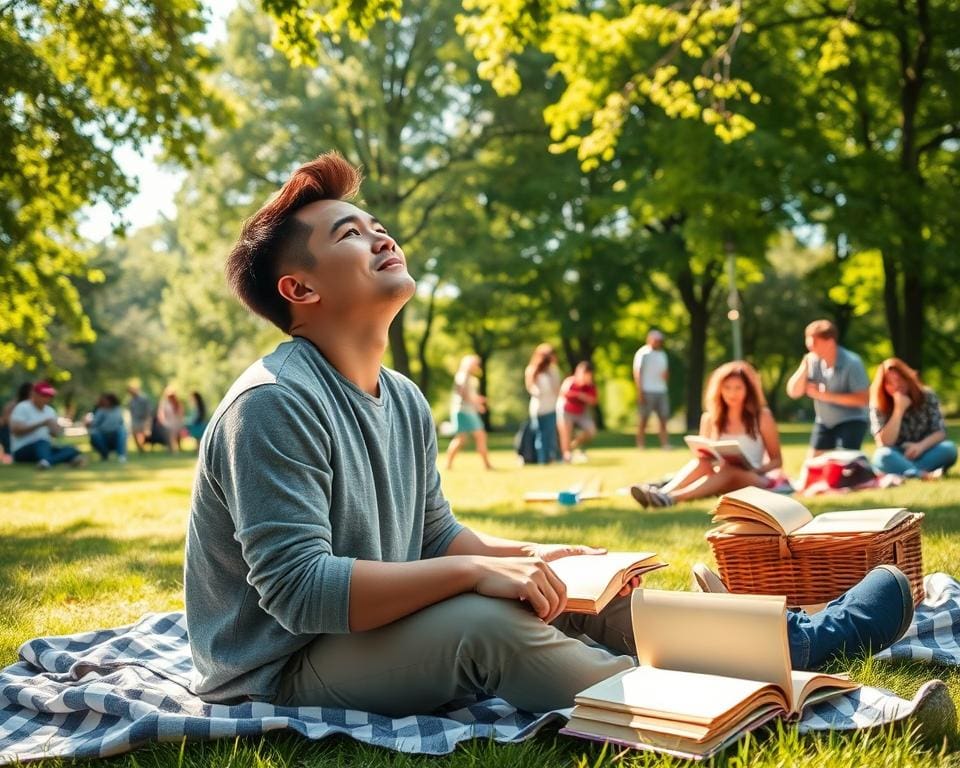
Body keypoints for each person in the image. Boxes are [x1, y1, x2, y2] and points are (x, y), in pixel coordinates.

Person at [182, 151, 915, 718]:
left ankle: (800, 643)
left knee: (579, 588)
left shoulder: (402, 398)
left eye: (376, 225)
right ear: (300, 289)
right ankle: (711, 708)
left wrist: (544, 557)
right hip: (281, 669)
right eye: (350, 233)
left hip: (362, 631)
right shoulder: (273, 404)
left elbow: (435, 533)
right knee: (484, 622)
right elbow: (301, 593)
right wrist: (478, 574)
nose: (380, 235)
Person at [630, 361, 783, 508]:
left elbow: (777, 460)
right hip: (719, 474)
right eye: (727, 388)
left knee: (730, 470)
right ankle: (662, 494)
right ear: (719, 390)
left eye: (738, 388)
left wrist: (755, 470)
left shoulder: (762, 416)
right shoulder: (710, 418)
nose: (732, 393)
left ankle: (671, 498)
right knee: (703, 462)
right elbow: (704, 459)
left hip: (753, 477)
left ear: (747, 390)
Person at [786, 319, 869, 455]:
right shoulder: (813, 361)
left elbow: (863, 399)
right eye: (808, 342)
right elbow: (793, 392)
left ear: (830, 342)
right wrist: (804, 366)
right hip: (825, 422)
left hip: (851, 421)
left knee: (843, 465)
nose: (809, 347)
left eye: (814, 343)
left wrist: (824, 396)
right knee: (811, 468)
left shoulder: (852, 362)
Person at [869, 358, 957, 477]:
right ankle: (923, 475)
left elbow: (940, 432)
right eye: (889, 382)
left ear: (907, 378)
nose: (896, 385)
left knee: (949, 449)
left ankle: (907, 470)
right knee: (882, 456)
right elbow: (885, 442)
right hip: (896, 454)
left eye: (899, 379)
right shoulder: (878, 403)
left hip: (926, 451)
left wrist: (920, 446)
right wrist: (899, 410)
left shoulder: (927, 396)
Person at [9, 381, 84, 469]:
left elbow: (56, 434)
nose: (47, 399)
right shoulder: (22, 407)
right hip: (22, 449)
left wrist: (56, 428)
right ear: (35, 394)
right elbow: (16, 430)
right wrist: (41, 423)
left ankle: (46, 462)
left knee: (72, 450)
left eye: (49, 396)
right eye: (44, 395)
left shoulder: (50, 411)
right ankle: (54, 460)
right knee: (42, 442)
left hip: (45, 448)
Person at [444, 354, 493, 470]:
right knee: (479, 436)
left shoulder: (469, 377)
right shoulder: (463, 376)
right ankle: (487, 464)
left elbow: (469, 395)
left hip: (467, 410)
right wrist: (476, 404)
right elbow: (463, 394)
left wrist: (479, 401)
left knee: (462, 439)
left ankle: (448, 464)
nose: (477, 366)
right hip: (464, 411)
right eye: (475, 364)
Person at [633, 329, 670, 449]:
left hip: (661, 390)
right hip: (647, 390)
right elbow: (637, 373)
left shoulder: (662, 354)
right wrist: (640, 392)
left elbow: (665, 372)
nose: (657, 342)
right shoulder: (643, 353)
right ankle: (640, 444)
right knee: (644, 419)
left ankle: (665, 444)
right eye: (655, 340)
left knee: (663, 418)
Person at [524, 344, 561, 464]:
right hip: (538, 408)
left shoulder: (553, 370)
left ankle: (552, 458)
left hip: (551, 407)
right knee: (541, 435)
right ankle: (542, 459)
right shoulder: (532, 369)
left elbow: (557, 388)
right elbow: (530, 386)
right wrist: (536, 391)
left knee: (551, 435)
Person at [558, 361, 598, 463]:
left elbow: (594, 400)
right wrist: (579, 394)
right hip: (566, 410)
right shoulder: (570, 381)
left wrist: (584, 397)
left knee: (591, 430)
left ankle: (574, 444)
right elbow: (563, 393)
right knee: (566, 433)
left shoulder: (590, 386)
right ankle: (566, 457)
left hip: (580, 412)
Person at [87, 393, 128, 462]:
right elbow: (94, 424)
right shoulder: (101, 410)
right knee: (94, 434)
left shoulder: (117, 409)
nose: (105, 402)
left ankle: (122, 455)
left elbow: (121, 422)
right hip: (103, 435)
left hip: (115, 435)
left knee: (122, 430)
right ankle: (105, 454)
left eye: (106, 400)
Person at [0, 382, 32, 463]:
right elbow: (5, 420)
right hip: (9, 430)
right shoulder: (14, 404)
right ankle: (9, 456)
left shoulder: (31, 405)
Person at [157, 386, 185, 452]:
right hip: (168, 422)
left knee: (177, 436)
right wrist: (163, 421)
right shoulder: (164, 403)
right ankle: (171, 449)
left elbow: (180, 413)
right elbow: (161, 413)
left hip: (176, 421)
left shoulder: (177, 403)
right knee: (170, 436)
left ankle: (178, 448)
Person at [127, 383, 152, 452]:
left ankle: (141, 448)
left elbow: (148, 409)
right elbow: (131, 410)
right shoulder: (131, 400)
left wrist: (147, 419)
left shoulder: (144, 398)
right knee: (135, 433)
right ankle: (140, 448)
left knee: (142, 434)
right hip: (135, 419)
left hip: (143, 419)